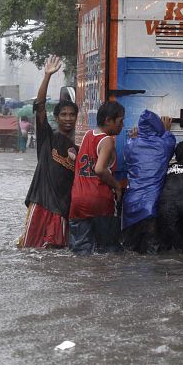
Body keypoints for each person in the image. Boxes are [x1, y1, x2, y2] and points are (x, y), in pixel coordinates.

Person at [18, 55, 78, 248]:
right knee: (30, 249)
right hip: (41, 202)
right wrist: (47, 76)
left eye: (72, 115)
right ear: (57, 118)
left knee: (56, 251)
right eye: (64, 115)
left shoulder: (80, 148)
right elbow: (40, 106)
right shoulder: (47, 138)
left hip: (62, 210)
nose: (68, 118)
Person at [69, 100, 125, 255]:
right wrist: (117, 186)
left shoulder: (87, 135)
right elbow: (99, 169)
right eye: (120, 121)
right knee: (107, 252)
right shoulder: (107, 140)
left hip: (78, 200)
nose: (122, 125)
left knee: (80, 252)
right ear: (108, 120)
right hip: (99, 201)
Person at [120, 111, 175, 254]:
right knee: (151, 252)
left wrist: (133, 139)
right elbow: (169, 140)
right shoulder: (165, 144)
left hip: (130, 205)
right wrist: (166, 130)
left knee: (129, 249)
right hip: (151, 206)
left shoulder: (131, 145)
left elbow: (128, 155)